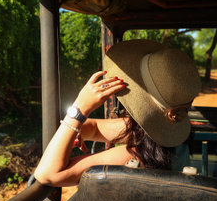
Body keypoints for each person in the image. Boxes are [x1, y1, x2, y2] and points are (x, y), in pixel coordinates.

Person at [34, 39, 201, 187]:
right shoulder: (164, 139)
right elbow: (95, 128)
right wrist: (77, 129)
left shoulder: (135, 157)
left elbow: (48, 174)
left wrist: (79, 108)